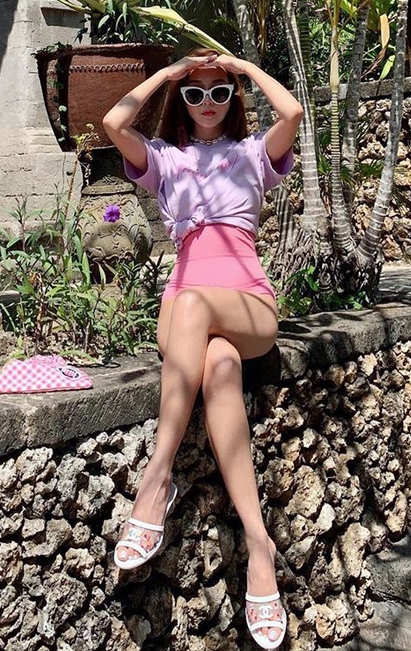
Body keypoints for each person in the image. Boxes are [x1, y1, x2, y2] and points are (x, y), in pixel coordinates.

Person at [102, 48, 303, 650]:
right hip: (186, 315)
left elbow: (292, 112)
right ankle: (259, 544)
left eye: (219, 92)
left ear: (232, 97)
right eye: (196, 94)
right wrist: (168, 74)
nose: (208, 102)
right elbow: (114, 123)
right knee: (218, 364)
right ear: (182, 103)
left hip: (247, 304)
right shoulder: (166, 159)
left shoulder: (252, 154)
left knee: (196, 308)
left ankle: (156, 477)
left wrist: (242, 68)